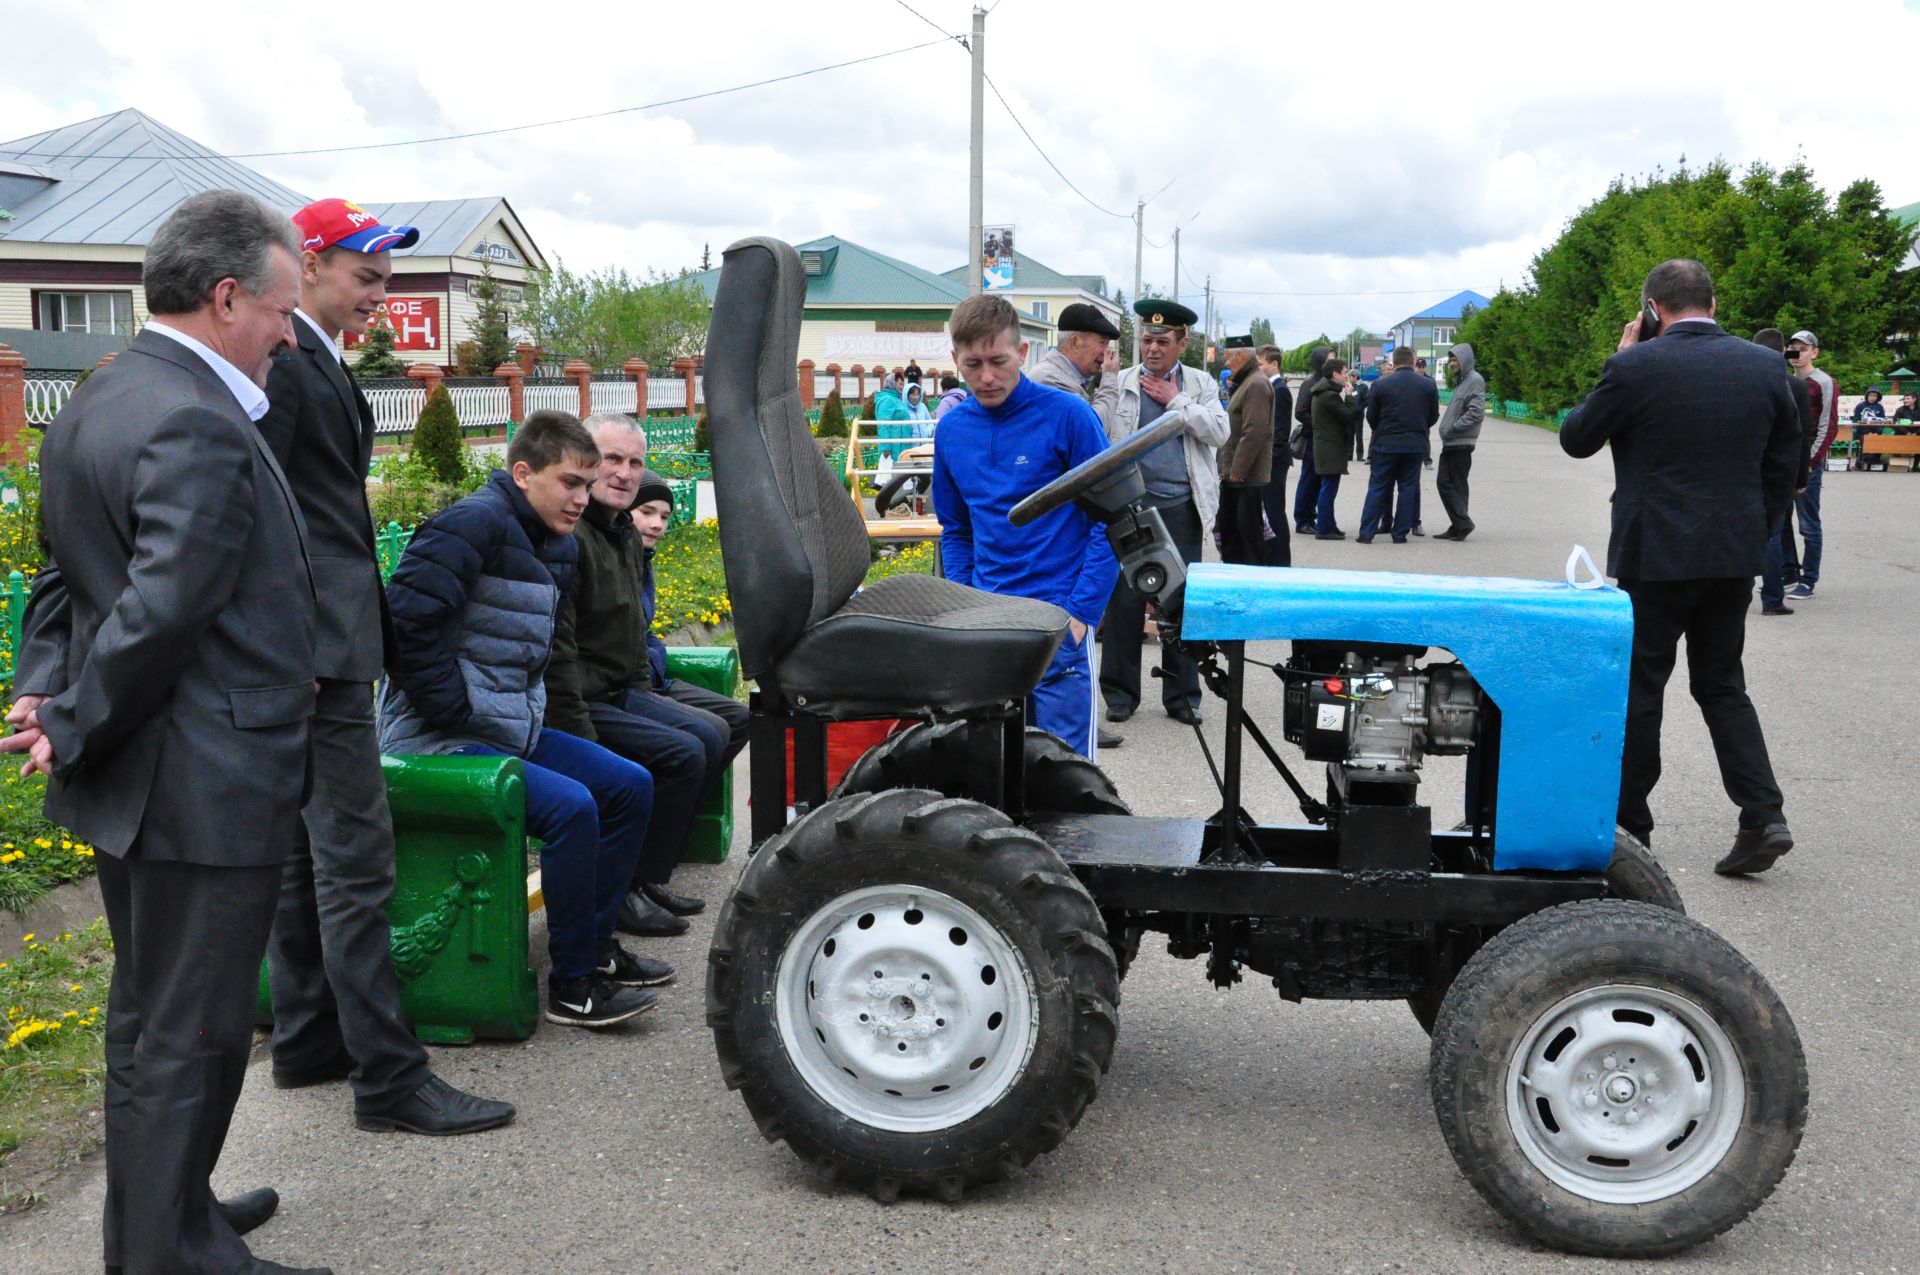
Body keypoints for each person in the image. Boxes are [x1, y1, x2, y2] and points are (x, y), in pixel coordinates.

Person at [3, 190, 334, 1275]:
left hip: (150, 778)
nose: (294, 334)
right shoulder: (192, 415)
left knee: (150, 1021)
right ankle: (165, 1250)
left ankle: (166, 1211)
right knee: (188, 1035)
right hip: (205, 777)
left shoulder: (103, 395)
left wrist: (46, 691)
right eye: (284, 311)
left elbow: (64, 578)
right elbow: (159, 613)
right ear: (226, 295)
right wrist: (79, 719)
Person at [254, 197, 514, 1139]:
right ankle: (388, 1077)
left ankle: (311, 1033)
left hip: (316, 644)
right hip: (313, 650)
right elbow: (262, 512)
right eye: (365, 276)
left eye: (385, 278)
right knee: (355, 862)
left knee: (301, 856)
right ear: (309, 262)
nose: (380, 295)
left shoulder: (312, 359)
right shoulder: (284, 368)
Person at [380, 411, 661, 1027]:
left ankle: (595, 950)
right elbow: (402, 627)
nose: (581, 498)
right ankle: (573, 985)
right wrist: (456, 711)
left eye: (587, 486)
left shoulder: (552, 542)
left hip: (506, 731)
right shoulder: (470, 525)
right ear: (523, 472)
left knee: (628, 787)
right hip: (436, 740)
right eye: (569, 483)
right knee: (571, 809)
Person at [1559, 259, 1801, 875]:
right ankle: (1762, 814)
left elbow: (1578, 437)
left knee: (1642, 689)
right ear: (1713, 303)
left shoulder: (1635, 365)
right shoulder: (1764, 366)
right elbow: (1786, 469)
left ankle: (1631, 828)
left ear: (1651, 309)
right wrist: (1756, 531)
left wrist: (1621, 357)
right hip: (1732, 557)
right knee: (1722, 685)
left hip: (1656, 556)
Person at [545, 413, 748, 939]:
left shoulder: (622, 535)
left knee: (715, 730)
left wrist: (645, 698)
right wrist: (581, 738)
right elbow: (559, 650)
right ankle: (630, 883)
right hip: (581, 703)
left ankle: (645, 871)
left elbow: (634, 632)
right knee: (686, 749)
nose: (623, 472)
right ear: (585, 462)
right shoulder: (573, 536)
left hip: (619, 689)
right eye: (611, 459)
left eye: (634, 462)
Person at [932, 293, 1118, 756]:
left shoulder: (1070, 417)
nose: (987, 377)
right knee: (992, 773)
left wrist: (1081, 615)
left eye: (998, 360)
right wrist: (966, 603)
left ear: (1023, 352)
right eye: (973, 364)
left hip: (1059, 623)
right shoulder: (952, 431)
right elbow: (957, 530)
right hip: (989, 628)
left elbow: (1112, 520)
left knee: (1068, 778)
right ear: (956, 359)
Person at [1098, 299, 1228, 727]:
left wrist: (1177, 402)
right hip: (1129, 509)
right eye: (1147, 340)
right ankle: (1120, 695)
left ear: (1183, 342)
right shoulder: (1122, 381)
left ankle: (1182, 696)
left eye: (1163, 341)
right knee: (1125, 603)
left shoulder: (1200, 384)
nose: (1153, 349)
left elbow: (1219, 432)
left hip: (1181, 507)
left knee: (1182, 604)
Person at [1028, 302, 1125, 749]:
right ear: (1075, 342)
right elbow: (1099, 441)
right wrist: (1109, 384)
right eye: (1101, 345)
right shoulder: (1054, 385)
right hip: (1055, 554)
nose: (1104, 355)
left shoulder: (1067, 380)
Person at [1753, 328, 1818, 615]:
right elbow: (1802, 435)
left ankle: (1738, 589)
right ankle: (1772, 598)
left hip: (1746, 468)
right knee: (1774, 532)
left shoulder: (1743, 383)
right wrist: (1801, 477)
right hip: (1780, 471)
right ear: (1782, 352)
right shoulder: (1796, 386)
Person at [1359, 347, 1438, 543]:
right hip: (1414, 444)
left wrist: (1382, 428)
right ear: (1413, 362)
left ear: (1393, 364)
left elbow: (1371, 416)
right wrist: (1418, 428)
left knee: (1377, 487)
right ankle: (1400, 534)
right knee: (1408, 488)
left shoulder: (1380, 384)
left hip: (1385, 443)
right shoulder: (1428, 385)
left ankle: (1366, 533)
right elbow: (1433, 416)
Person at [1785, 331, 1838, 600]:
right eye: (1792, 349)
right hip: (1783, 463)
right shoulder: (1785, 382)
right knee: (1780, 521)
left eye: (1802, 349)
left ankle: (1809, 579)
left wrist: (1810, 463)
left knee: (1808, 524)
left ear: (1814, 352)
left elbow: (1828, 427)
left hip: (1807, 465)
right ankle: (1789, 571)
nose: (1797, 353)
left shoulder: (1823, 383)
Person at [1215, 335, 1274, 565]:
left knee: (1248, 536)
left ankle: (1252, 583)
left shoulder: (1256, 384)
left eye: (1228, 357)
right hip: (1236, 475)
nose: (1226, 363)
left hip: (1245, 477)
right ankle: (1234, 577)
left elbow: (1255, 431)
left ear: (1241, 355)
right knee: (1232, 532)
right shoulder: (1248, 381)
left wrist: (1238, 470)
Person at [1029, 301, 1121, 432]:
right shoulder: (1049, 379)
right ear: (1075, 342)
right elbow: (1092, 429)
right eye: (1102, 343)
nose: (1106, 353)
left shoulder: (1067, 376)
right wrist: (1110, 378)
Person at [1433, 342, 1485, 540]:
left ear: (1465, 359)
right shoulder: (1462, 380)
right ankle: (1457, 525)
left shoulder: (1474, 380)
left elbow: (1476, 412)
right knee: (1456, 484)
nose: (1452, 363)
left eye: (1455, 359)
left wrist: (1454, 427)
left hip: (1460, 441)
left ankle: (1463, 523)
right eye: (1451, 360)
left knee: (1446, 483)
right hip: (1453, 441)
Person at [1307, 357, 1357, 539]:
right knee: (1328, 489)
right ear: (1334, 374)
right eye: (1345, 373)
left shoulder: (1326, 391)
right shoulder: (1329, 395)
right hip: (1329, 448)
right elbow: (1348, 416)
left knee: (1329, 488)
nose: (1347, 376)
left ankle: (1330, 524)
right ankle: (1323, 529)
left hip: (1327, 446)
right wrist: (1350, 397)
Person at [1256, 343, 1294, 567]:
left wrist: (1267, 461)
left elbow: (1279, 433)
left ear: (1274, 364)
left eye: (1260, 364)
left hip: (1274, 461)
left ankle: (1280, 561)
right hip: (1270, 461)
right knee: (1267, 511)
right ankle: (1270, 557)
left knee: (1274, 512)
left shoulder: (1279, 390)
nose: (1258, 368)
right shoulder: (1270, 387)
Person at [1291, 345, 1334, 534]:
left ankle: (1311, 516)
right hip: (1312, 440)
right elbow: (1300, 411)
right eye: (1330, 359)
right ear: (1320, 362)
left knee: (1317, 481)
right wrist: (1318, 425)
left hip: (1323, 440)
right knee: (1309, 479)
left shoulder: (1327, 381)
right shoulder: (1310, 383)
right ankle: (1303, 520)